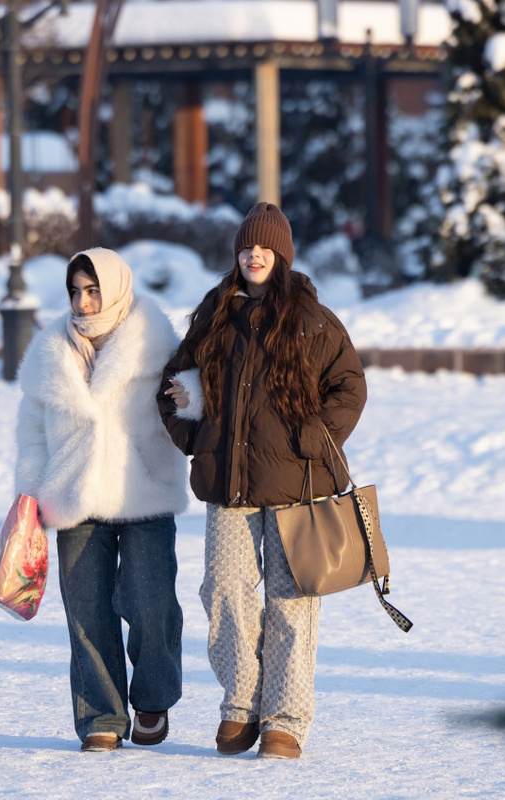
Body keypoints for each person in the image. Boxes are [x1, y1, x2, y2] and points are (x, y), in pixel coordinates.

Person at [158, 202, 367, 759]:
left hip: (297, 486)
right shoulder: (214, 316)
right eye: (247, 246)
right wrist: (193, 435)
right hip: (229, 482)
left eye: (265, 247)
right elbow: (172, 386)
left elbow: (349, 387)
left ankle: (285, 718)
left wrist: (312, 441)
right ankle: (242, 699)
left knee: (290, 598)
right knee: (222, 590)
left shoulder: (313, 321)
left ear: (282, 255)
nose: (255, 254)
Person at [15, 248, 189, 751]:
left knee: (151, 602)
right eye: (76, 291)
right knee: (86, 612)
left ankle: (153, 698)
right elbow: (31, 432)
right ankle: (101, 717)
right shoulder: (52, 350)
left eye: (93, 290)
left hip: (144, 490)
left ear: (114, 286)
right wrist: (29, 491)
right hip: (75, 494)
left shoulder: (155, 342)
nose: (84, 302)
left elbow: (188, 402)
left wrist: (191, 402)